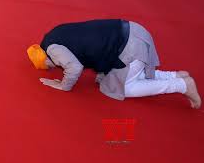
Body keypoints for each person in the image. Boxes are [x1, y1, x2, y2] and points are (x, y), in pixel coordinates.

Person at [27, 20, 200, 108]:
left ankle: (181, 85)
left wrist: (63, 85)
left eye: (50, 66)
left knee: (123, 88)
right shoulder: (54, 33)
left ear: (46, 58)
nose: (54, 66)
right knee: (122, 75)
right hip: (134, 31)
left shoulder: (52, 49)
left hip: (130, 47)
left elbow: (75, 67)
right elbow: (91, 45)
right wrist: (103, 73)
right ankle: (174, 75)